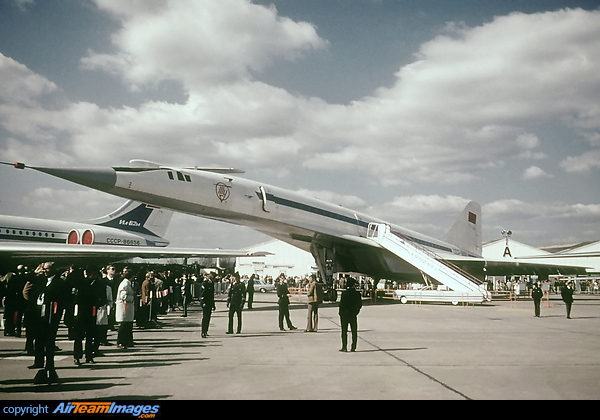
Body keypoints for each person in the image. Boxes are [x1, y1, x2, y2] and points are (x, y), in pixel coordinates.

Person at [23, 262, 66, 384]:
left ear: (53, 269)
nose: (45, 271)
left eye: (47, 269)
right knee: (39, 339)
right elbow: (29, 282)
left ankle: (50, 365)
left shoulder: (59, 282)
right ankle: (39, 362)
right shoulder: (41, 280)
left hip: (51, 315)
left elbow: (63, 298)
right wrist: (35, 273)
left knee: (50, 341)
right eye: (44, 269)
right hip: (38, 314)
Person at [339, 277, 362, 352]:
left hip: (345, 314)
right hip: (353, 314)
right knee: (354, 331)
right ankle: (353, 347)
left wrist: (341, 313)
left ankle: (344, 347)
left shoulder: (344, 294)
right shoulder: (357, 294)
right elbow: (359, 304)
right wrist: (356, 311)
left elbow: (341, 304)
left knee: (344, 331)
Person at [116, 266, 135, 349]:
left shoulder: (128, 283)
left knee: (128, 324)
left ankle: (128, 341)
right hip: (124, 307)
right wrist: (132, 297)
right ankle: (121, 341)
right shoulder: (125, 283)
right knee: (124, 325)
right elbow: (123, 296)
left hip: (127, 308)